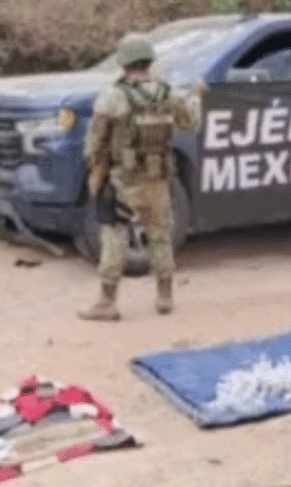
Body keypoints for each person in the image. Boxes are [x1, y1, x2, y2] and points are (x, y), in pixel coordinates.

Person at [78, 33, 203, 322]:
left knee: (114, 234)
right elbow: (191, 123)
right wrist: (196, 97)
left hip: (123, 180)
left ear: (124, 64)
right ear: (149, 61)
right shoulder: (168, 93)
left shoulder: (113, 95)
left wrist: (94, 172)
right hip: (158, 177)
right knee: (160, 234)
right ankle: (165, 297)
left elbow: (96, 140)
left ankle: (107, 302)